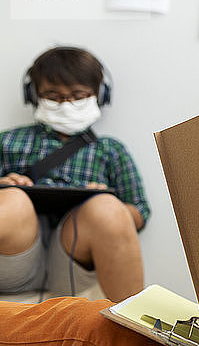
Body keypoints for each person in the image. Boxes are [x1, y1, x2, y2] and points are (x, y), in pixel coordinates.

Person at [0, 46, 150, 303]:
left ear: (99, 95)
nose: (66, 104)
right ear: (34, 96)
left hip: (73, 260)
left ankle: (132, 328)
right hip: (16, 256)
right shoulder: (8, 142)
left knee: (106, 207)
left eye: (78, 96)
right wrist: (5, 186)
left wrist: (103, 202)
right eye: (53, 96)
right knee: (13, 199)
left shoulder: (110, 150)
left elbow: (139, 213)